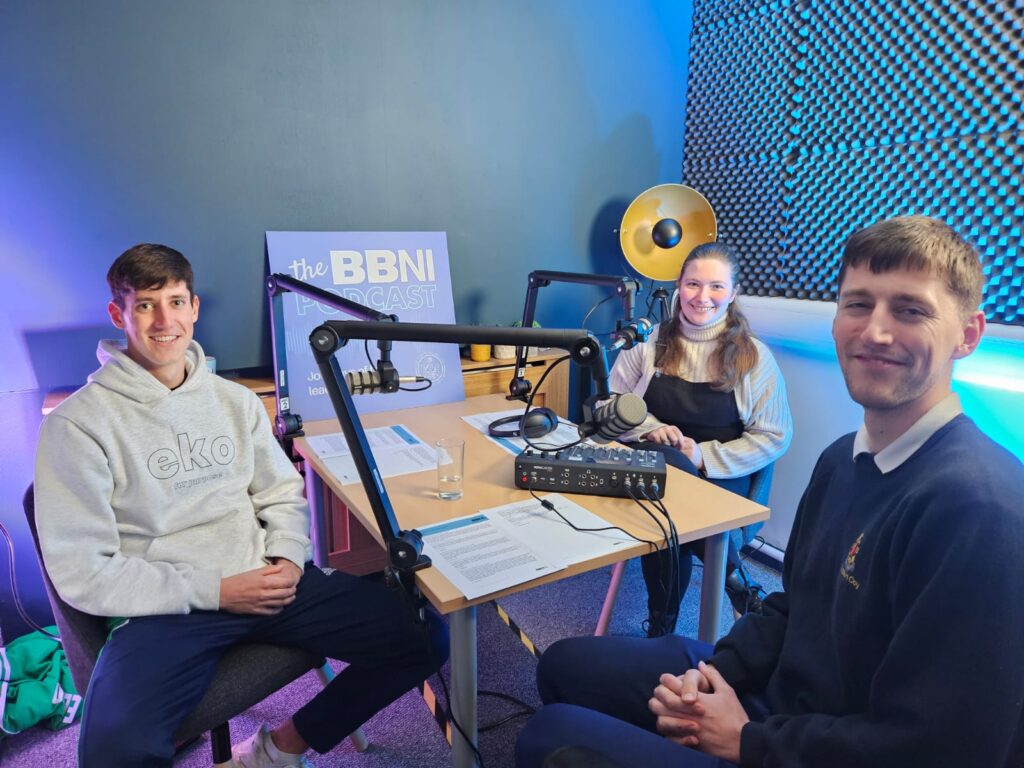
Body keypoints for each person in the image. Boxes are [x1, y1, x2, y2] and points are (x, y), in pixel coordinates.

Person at [516, 215, 1024, 767]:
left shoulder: (980, 511)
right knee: (561, 667)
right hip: (772, 699)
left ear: (967, 335)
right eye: (858, 304)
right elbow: (792, 606)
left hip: (799, 745)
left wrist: (747, 742)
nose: (875, 331)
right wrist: (713, 677)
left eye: (910, 310)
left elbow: (942, 749)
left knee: (552, 736)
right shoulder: (842, 460)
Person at [34, 244, 448, 768]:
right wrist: (216, 590)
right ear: (119, 314)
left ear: (195, 307)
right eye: (145, 305)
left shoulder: (234, 401)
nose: (165, 320)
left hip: (268, 580)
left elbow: (280, 494)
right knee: (113, 754)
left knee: (422, 635)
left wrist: (287, 559)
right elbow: (81, 571)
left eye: (176, 302)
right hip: (169, 607)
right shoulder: (75, 425)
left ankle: (279, 749)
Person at [609, 242, 792, 635]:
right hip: (655, 464)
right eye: (693, 284)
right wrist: (647, 428)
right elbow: (613, 405)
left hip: (722, 476)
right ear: (679, 285)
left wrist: (702, 455)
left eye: (716, 287)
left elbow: (774, 436)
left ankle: (661, 625)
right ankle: (736, 581)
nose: (702, 297)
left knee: (667, 496)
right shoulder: (648, 341)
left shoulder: (753, 358)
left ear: (733, 293)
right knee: (666, 477)